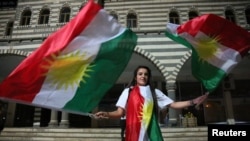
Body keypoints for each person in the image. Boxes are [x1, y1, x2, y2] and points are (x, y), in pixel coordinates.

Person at [95, 65, 208, 141]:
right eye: (140, 74)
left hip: (151, 132)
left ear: (148, 77)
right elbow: (119, 112)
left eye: (146, 74)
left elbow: (173, 105)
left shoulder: (154, 92)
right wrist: (106, 114)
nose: (143, 76)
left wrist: (193, 101)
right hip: (134, 131)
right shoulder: (128, 91)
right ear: (135, 77)